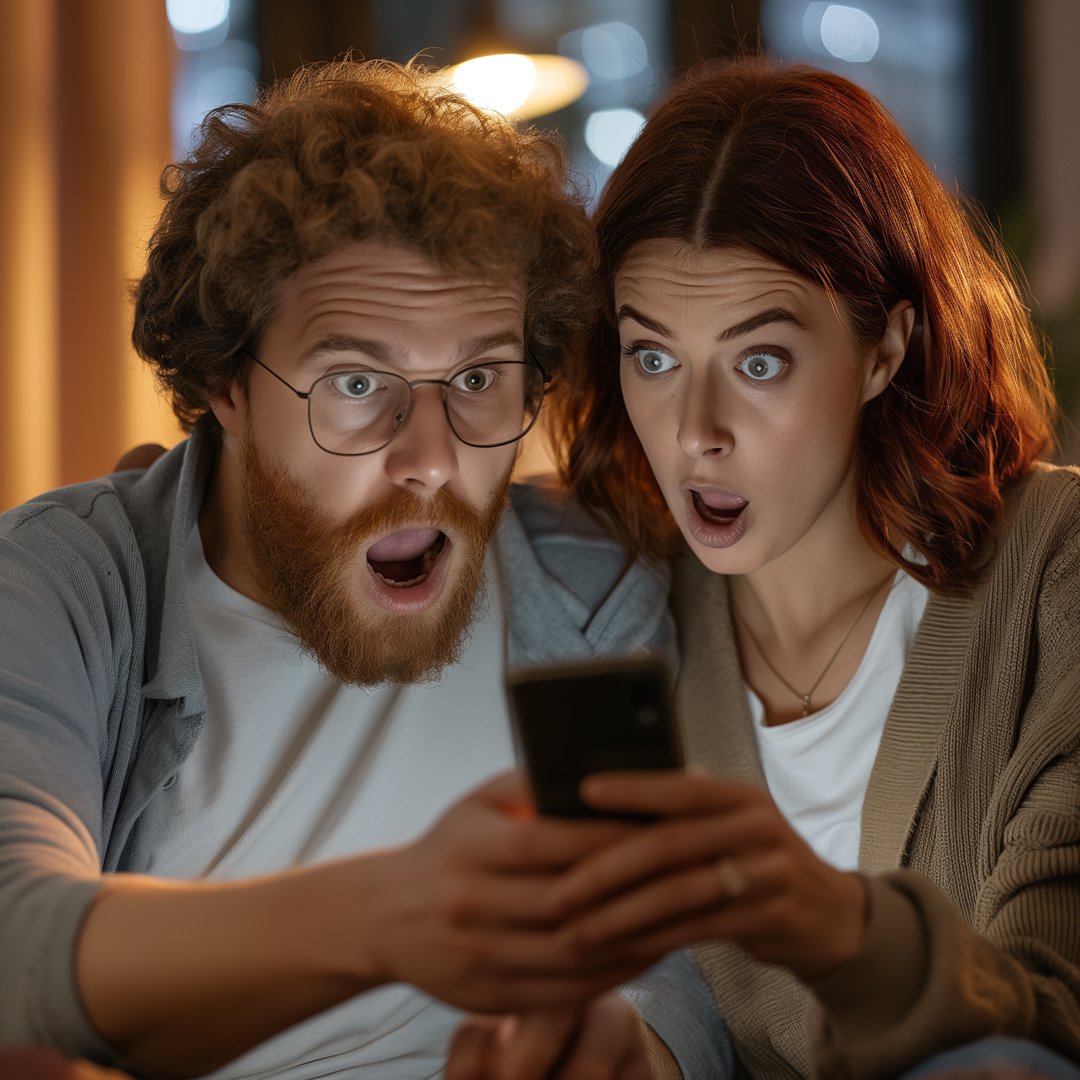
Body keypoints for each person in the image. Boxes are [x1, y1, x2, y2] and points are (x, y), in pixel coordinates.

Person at [0, 58, 675, 1079]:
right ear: (227, 384)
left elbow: (697, 970)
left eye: (480, 378)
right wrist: (392, 915)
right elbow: (16, 943)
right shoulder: (66, 582)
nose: (433, 456)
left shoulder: (601, 588)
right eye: (357, 383)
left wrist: (642, 1052)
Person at [521, 57, 1080, 1078]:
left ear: (886, 348)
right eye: (654, 357)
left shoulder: (1055, 574)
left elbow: (1048, 1028)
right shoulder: (603, 595)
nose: (697, 433)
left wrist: (835, 924)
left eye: (760, 360)